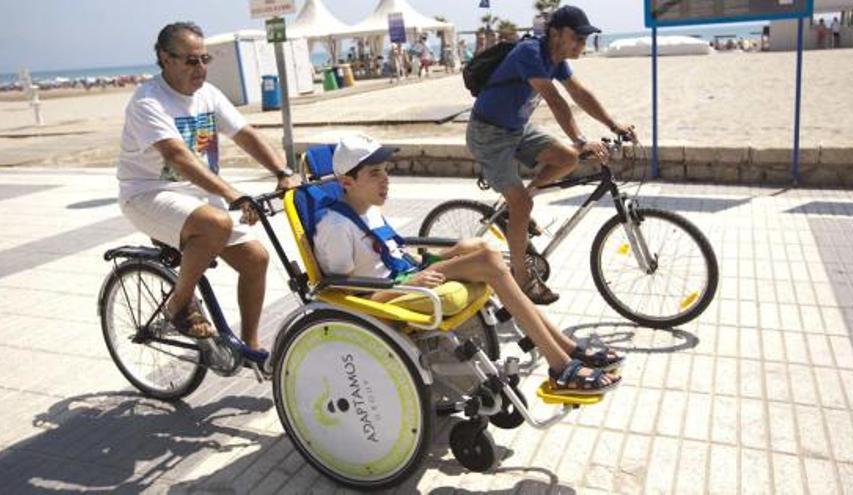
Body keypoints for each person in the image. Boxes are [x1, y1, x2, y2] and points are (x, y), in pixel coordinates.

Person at [313, 134, 624, 395]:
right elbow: (344, 299)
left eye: (385, 170)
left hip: (408, 276)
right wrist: (404, 286)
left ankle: (567, 350)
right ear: (346, 182)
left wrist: (447, 256)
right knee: (488, 259)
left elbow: (392, 252)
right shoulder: (335, 227)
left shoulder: (368, 210)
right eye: (374, 174)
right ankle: (561, 365)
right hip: (389, 295)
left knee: (479, 246)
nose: (386, 180)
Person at [116, 22, 298, 350]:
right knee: (216, 222)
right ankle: (178, 305)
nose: (200, 68)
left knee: (256, 258)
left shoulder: (208, 95)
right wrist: (233, 194)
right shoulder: (148, 101)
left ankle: (250, 347)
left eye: (204, 59)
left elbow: (245, 134)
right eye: (190, 60)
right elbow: (177, 156)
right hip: (148, 194)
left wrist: (283, 171)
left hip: (196, 197)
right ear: (164, 58)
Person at [466, 5, 636, 305]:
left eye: (586, 39)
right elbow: (555, 100)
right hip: (488, 134)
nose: (582, 44)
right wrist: (581, 140)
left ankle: (515, 208)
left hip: (516, 129)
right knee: (524, 203)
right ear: (555, 33)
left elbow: (579, 93)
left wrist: (613, 124)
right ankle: (521, 278)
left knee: (567, 159)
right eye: (577, 37)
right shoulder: (530, 52)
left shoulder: (555, 59)